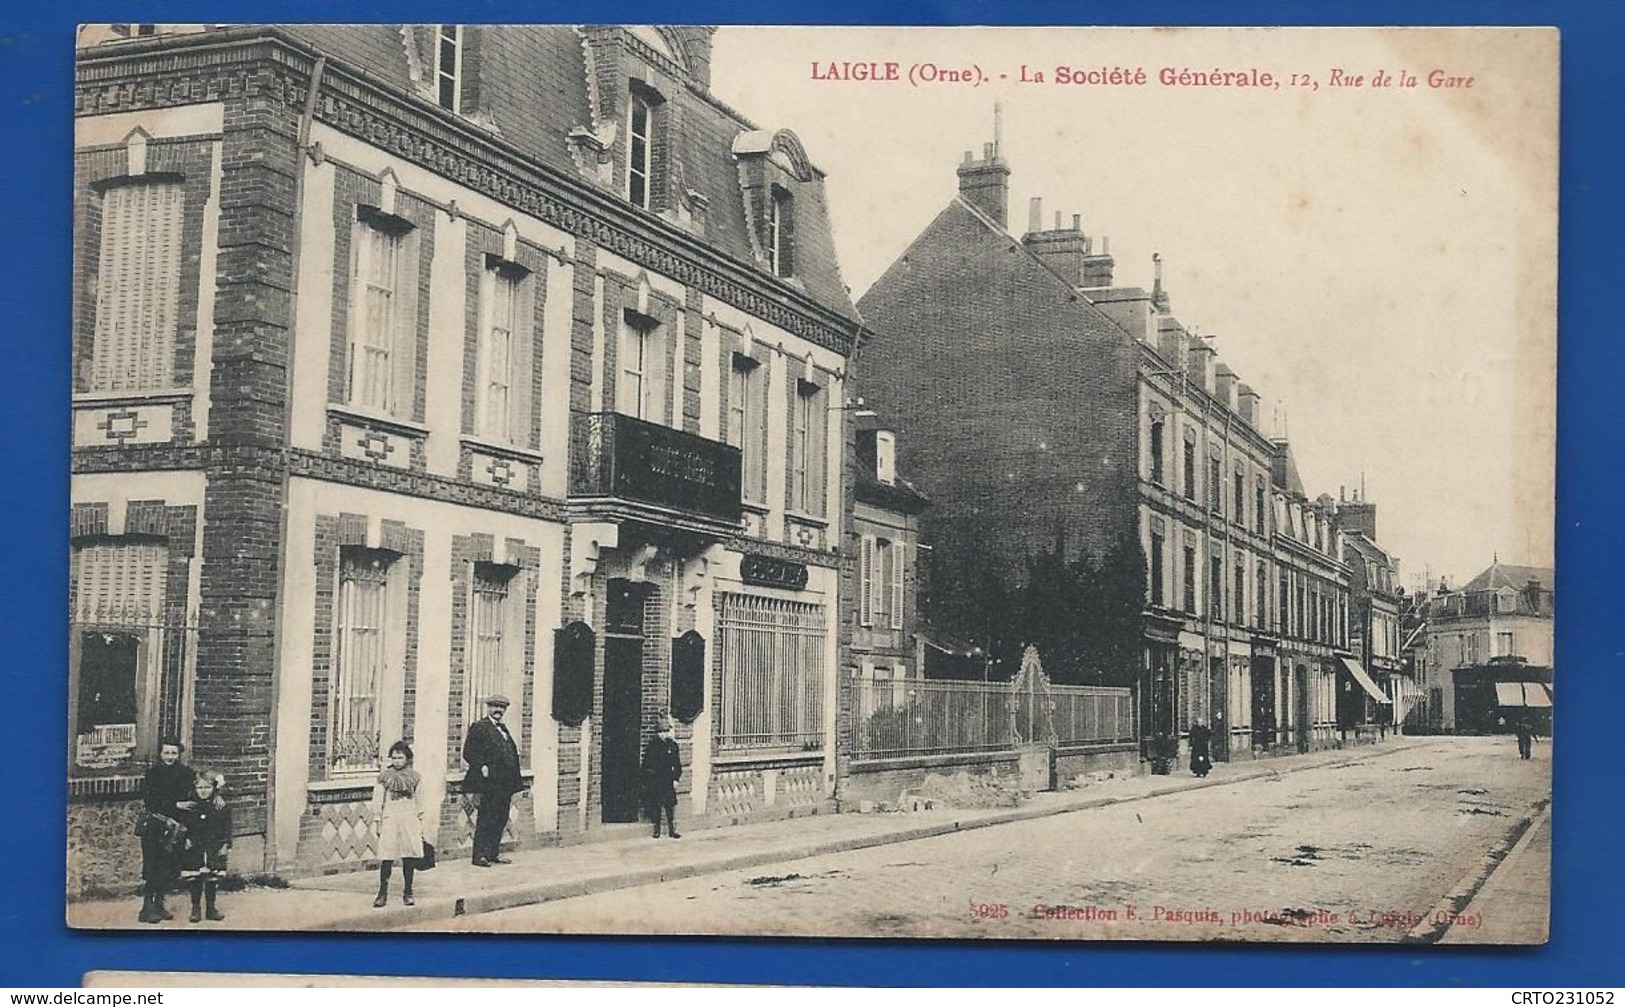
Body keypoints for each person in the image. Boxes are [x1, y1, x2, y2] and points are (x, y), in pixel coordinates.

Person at [137, 737, 194, 924]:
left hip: (176, 828)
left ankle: (159, 905)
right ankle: (146, 908)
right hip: (155, 827)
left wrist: (217, 796)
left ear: (179, 754)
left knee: (168, 868)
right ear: (160, 754)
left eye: (173, 753)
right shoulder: (153, 774)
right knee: (153, 866)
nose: (170, 757)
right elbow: (151, 802)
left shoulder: (186, 773)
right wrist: (177, 804)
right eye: (166, 753)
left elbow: (201, 790)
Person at [462, 694, 523, 867]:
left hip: (505, 783)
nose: (499, 710)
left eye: (502, 707)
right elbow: (468, 752)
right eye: (495, 706)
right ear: (488, 707)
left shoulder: (503, 728)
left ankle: (493, 853)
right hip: (490, 783)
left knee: (501, 818)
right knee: (486, 817)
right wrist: (481, 765)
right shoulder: (480, 727)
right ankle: (479, 856)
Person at [371, 740, 426, 908]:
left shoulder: (415, 777)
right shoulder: (384, 778)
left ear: (407, 759)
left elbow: (420, 802)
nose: (397, 761)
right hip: (390, 818)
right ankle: (382, 893)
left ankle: (408, 892)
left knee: (408, 856)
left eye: (400, 758)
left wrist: (420, 823)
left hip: (409, 819)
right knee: (387, 856)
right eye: (394, 758)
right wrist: (378, 821)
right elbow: (377, 801)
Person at [174, 770, 232, 923]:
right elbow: (183, 825)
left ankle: (211, 908)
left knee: (212, 877)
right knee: (195, 877)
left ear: (214, 788)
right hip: (195, 847)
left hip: (215, 846)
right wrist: (185, 839)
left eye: (207, 788)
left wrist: (226, 844)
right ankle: (195, 908)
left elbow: (227, 826)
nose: (203, 791)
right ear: (195, 789)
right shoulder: (191, 806)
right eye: (200, 788)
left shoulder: (220, 806)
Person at [641, 714, 683, 839]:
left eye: (666, 731)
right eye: (661, 732)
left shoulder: (673, 746)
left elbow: (677, 764)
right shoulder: (653, 746)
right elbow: (646, 764)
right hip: (656, 780)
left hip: (669, 780)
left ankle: (672, 830)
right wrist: (649, 778)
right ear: (657, 733)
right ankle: (657, 829)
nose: (664, 734)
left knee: (670, 805)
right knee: (657, 805)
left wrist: (676, 778)